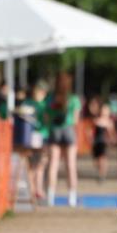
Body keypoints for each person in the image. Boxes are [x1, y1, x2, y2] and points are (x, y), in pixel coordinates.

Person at [45, 72, 81, 207]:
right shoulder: (73, 99)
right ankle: (72, 197)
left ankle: (50, 196)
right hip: (69, 131)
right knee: (71, 165)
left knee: (53, 164)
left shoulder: (50, 99)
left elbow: (46, 117)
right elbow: (76, 120)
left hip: (54, 131)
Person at [89, 96, 117, 182]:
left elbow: (112, 133)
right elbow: (91, 131)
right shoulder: (96, 120)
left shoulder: (109, 122)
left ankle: (102, 175)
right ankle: (101, 172)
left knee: (102, 158)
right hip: (96, 142)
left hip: (103, 142)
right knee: (96, 160)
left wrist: (113, 139)